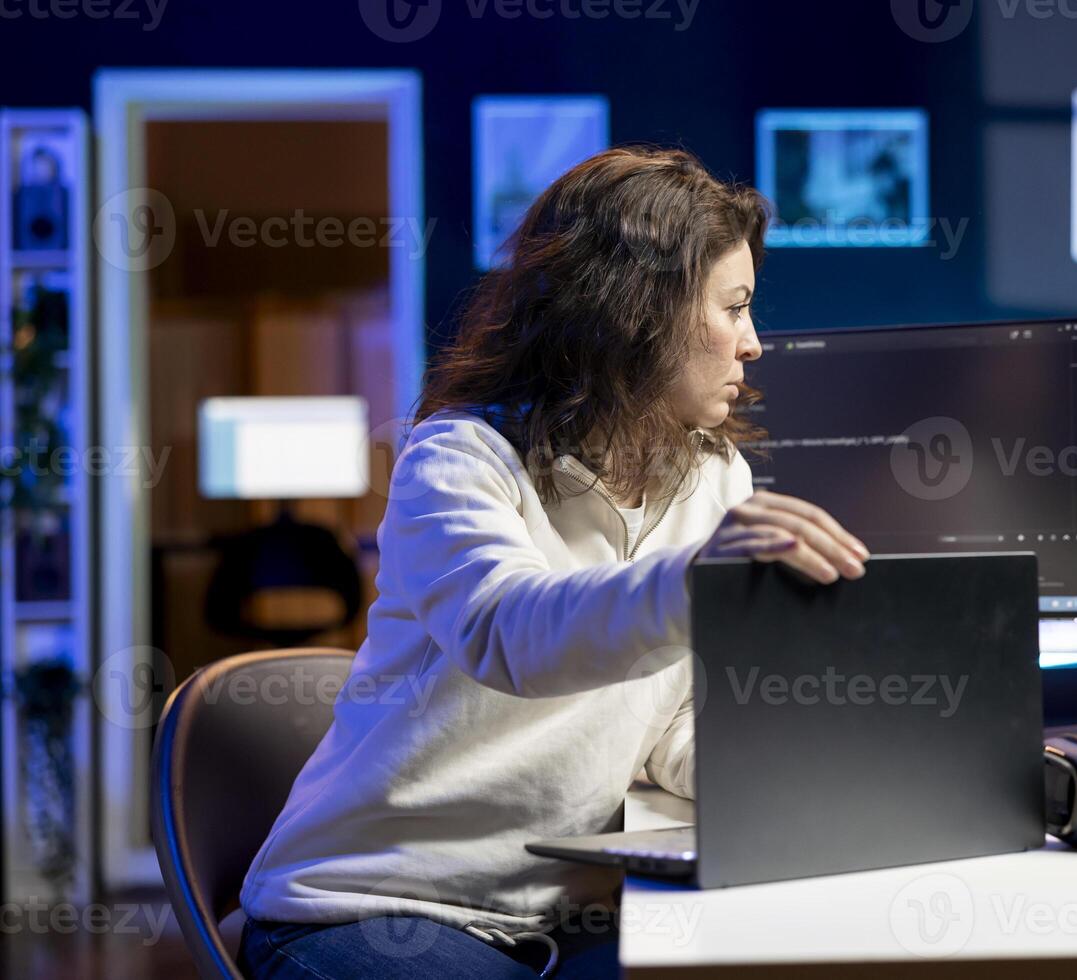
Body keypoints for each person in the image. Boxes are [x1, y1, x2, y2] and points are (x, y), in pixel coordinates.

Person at [237, 146, 869, 979]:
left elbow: (672, 721)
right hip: (371, 906)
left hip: (562, 912)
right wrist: (694, 581)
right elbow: (512, 633)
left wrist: (833, 773)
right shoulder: (457, 460)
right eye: (735, 307)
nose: (754, 344)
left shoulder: (719, 480)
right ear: (638, 311)